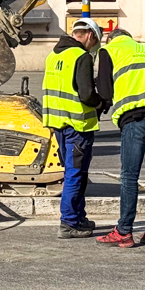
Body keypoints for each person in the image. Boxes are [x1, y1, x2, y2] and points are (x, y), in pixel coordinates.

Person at [94, 30, 145, 248]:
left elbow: (104, 90)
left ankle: (124, 231)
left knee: (129, 176)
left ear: (110, 39)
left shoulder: (110, 49)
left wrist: (99, 108)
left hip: (136, 117)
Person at [43, 18, 105, 240]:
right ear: (89, 35)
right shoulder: (81, 56)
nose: (94, 46)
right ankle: (69, 222)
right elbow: (86, 93)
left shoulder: (54, 56)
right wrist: (100, 103)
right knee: (75, 174)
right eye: (95, 41)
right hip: (77, 125)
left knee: (74, 172)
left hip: (58, 124)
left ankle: (78, 217)